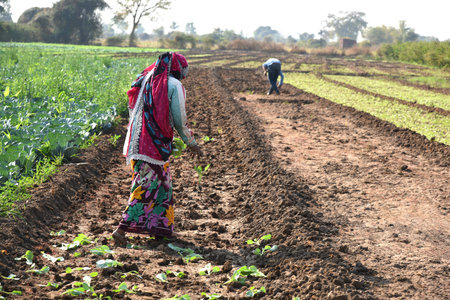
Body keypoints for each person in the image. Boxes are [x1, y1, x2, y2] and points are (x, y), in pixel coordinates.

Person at [112, 52, 202, 245]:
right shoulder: (174, 85)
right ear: (178, 69)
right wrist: (191, 143)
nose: (184, 75)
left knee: (163, 183)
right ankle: (122, 229)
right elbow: (179, 120)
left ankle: (160, 229)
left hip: (137, 139)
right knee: (145, 185)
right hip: (153, 143)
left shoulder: (145, 78)